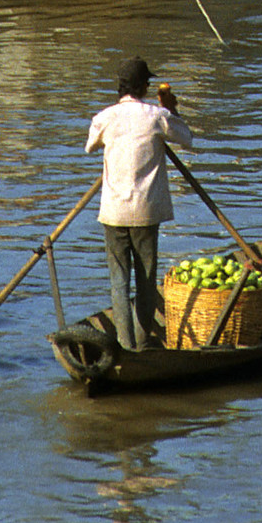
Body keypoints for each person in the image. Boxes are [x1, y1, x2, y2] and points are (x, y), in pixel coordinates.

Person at [85, 57, 192, 351]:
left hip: (114, 211)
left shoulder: (104, 118)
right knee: (146, 281)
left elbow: (90, 145)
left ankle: (124, 344)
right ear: (145, 87)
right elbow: (187, 138)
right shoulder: (157, 116)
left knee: (119, 281)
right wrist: (172, 108)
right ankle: (143, 345)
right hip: (146, 211)